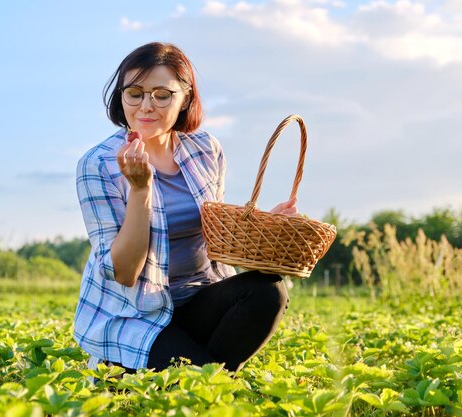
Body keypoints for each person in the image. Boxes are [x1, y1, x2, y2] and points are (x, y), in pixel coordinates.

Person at [75, 42, 297, 373]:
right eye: (134, 93)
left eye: (162, 95)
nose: (146, 106)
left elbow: (217, 235)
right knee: (206, 382)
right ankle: (130, 369)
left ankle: (190, 370)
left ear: (185, 98)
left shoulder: (205, 149)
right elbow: (124, 272)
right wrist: (139, 189)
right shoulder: (98, 164)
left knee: (268, 291)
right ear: (121, 97)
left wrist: (264, 226)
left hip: (198, 301)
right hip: (136, 315)